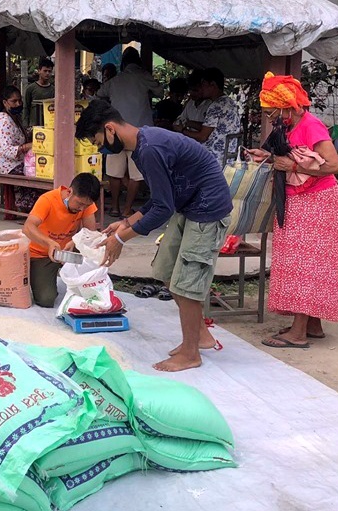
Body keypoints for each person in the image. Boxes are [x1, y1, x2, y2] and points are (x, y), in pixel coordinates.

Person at [75, 100, 232, 372]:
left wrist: (122, 239)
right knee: (167, 271)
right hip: (187, 207)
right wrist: (125, 223)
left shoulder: (150, 148)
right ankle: (201, 337)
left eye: (97, 139)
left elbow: (162, 208)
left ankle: (191, 352)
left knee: (188, 284)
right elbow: (161, 199)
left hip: (207, 212)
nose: (99, 147)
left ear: (110, 128)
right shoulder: (141, 147)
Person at [244, 73, 338, 349]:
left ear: (287, 105)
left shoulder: (312, 126)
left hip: (316, 201)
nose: (270, 115)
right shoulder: (287, 126)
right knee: (302, 261)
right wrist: (268, 157)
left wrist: (294, 167)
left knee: (305, 263)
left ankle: (298, 334)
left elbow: (334, 166)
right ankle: (311, 324)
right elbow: (287, 156)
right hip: (299, 200)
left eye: (272, 110)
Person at [95, 47, 164, 217]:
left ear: (123, 63)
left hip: (115, 131)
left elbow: (98, 94)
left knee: (114, 172)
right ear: (139, 62)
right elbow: (160, 93)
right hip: (139, 133)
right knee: (136, 174)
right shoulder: (144, 77)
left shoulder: (115, 80)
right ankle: (127, 210)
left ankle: (115, 207)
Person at [22, 173, 101, 307]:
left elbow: (90, 234)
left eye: (86, 206)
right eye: (80, 203)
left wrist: (75, 242)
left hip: (67, 251)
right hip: (41, 254)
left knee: (94, 248)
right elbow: (28, 227)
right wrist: (49, 242)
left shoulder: (85, 205)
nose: (81, 209)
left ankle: (83, 280)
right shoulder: (48, 200)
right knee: (46, 299)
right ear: (69, 192)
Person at [0, 85, 37, 213]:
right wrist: (29, 146)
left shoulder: (14, 117)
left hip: (15, 159)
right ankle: (26, 206)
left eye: (19, 100)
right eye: (14, 101)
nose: (18, 104)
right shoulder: (4, 121)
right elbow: (8, 151)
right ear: (5, 102)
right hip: (4, 162)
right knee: (32, 174)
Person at [178, 67, 240, 164]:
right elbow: (210, 127)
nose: (201, 88)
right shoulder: (229, 102)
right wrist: (189, 124)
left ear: (213, 85)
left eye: (203, 84)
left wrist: (182, 130)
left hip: (214, 156)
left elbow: (202, 137)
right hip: (228, 154)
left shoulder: (216, 106)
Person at [23, 58, 55, 129]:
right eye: (45, 71)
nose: (47, 73)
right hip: (34, 125)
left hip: (49, 125)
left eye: (49, 71)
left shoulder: (53, 89)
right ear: (39, 71)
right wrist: (26, 125)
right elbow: (26, 107)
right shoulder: (30, 88)